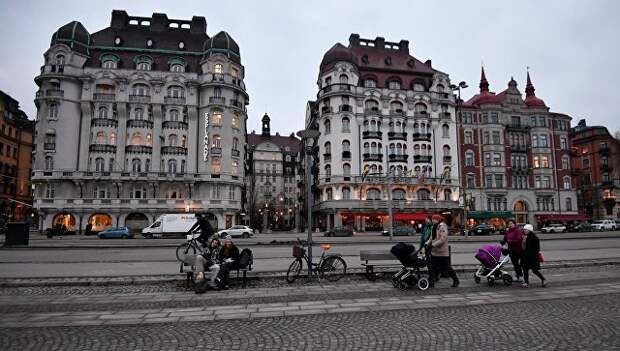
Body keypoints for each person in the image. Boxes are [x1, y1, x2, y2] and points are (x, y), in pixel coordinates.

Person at [426, 214, 459, 288]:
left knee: (447, 267)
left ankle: (456, 280)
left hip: (442, 252)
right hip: (434, 252)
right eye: (432, 219)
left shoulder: (442, 226)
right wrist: (427, 244)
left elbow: (442, 239)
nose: (432, 220)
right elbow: (432, 237)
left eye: (433, 219)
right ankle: (431, 281)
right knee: (431, 267)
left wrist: (433, 245)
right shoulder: (433, 227)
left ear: (437, 220)